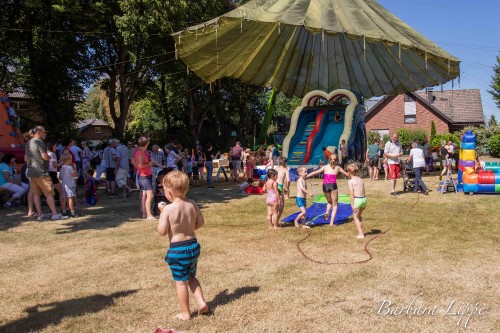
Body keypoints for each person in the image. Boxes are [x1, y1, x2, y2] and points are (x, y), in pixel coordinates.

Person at [157, 171, 208, 321]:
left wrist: (161, 213)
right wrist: (190, 229)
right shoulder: (192, 204)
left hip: (177, 250)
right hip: (193, 246)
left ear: (169, 192)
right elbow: (201, 223)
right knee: (192, 276)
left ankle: (185, 313)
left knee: (180, 282)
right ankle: (201, 301)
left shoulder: (168, 209)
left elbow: (161, 231)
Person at [25, 126, 68, 220]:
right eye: (44, 132)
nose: (45, 134)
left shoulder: (28, 143)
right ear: (39, 132)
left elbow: (26, 158)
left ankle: (40, 214)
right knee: (49, 193)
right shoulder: (40, 142)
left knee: (36, 194)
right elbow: (44, 156)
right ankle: (55, 214)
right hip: (41, 171)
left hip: (31, 171)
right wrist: (49, 158)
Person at [306, 153, 350, 226]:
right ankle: (331, 223)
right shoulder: (338, 168)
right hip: (333, 185)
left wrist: (307, 176)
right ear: (337, 160)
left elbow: (315, 172)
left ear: (329, 160)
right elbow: (347, 175)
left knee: (329, 202)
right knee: (335, 205)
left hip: (325, 185)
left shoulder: (325, 167)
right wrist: (352, 175)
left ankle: (327, 211)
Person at [134, 136, 155, 220]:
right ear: (146, 144)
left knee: (144, 196)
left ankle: (144, 213)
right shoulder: (140, 153)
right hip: (144, 177)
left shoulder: (142, 152)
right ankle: (149, 215)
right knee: (150, 195)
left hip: (145, 176)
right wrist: (149, 164)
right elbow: (140, 166)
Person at [347, 163, 366, 239]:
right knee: (359, 216)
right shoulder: (360, 179)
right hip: (364, 199)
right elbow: (363, 190)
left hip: (357, 200)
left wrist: (352, 204)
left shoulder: (350, 181)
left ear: (348, 172)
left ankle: (361, 234)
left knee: (356, 218)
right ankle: (360, 231)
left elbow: (352, 193)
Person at [59, 153, 78, 217]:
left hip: (64, 185)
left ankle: (64, 211)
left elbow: (60, 178)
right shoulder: (70, 167)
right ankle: (72, 211)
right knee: (70, 198)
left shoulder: (61, 168)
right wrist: (75, 168)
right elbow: (74, 175)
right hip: (70, 185)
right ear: (68, 160)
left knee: (64, 198)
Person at [47, 142, 64, 211]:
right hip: (53, 174)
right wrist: (63, 162)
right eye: (55, 147)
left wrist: (58, 162)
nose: (56, 148)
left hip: (48, 173)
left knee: (50, 192)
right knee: (61, 191)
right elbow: (55, 165)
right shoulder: (53, 154)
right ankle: (63, 207)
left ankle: (52, 208)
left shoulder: (46, 154)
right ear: (51, 147)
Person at [276, 156, 290, 221]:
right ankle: (276, 220)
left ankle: (273, 219)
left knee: (274, 203)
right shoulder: (285, 170)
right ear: (285, 163)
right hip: (279, 186)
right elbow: (288, 180)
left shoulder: (275, 169)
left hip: (274, 185)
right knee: (281, 204)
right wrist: (287, 187)